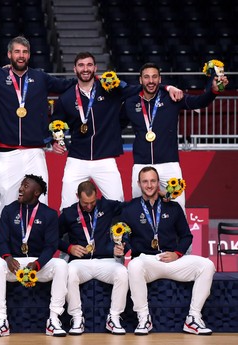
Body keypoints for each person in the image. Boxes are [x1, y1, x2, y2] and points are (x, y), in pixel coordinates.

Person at [52, 52, 183, 210]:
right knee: (67, 205)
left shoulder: (111, 89)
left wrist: (167, 87)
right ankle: (70, 236)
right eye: (81, 65)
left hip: (105, 159)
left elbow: (143, 87)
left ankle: (116, 235)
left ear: (95, 68)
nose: (85, 69)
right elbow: (55, 122)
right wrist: (54, 140)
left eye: (89, 65)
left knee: (117, 204)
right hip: (77, 160)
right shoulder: (66, 98)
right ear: (74, 69)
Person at [0, 36, 75, 207]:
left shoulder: (40, 77)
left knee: (40, 200)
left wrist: (91, 77)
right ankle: (6, 234)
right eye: (17, 52)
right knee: (7, 202)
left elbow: (65, 86)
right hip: (7, 152)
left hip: (35, 152)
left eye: (24, 52)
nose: (21, 55)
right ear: (9, 54)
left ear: (29, 55)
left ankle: (39, 234)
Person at [121, 166, 215, 335]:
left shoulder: (173, 207)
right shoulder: (129, 209)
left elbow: (186, 236)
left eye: (152, 181)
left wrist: (177, 253)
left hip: (173, 260)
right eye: (145, 181)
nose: (149, 185)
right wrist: (122, 247)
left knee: (207, 265)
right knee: (134, 266)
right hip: (148, 262)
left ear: (158, 183)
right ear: (139, 184)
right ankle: (144, 319)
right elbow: (125, 238)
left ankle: (193, 318)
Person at [122, 63, 228, 211]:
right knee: (139, 212)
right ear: (140, 80)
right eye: (146, 77)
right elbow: (116, 124)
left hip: (169, 166)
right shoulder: (130, 102)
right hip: (141, 165)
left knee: (178, 209)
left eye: (154, 77)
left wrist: (213, 92)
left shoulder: (172, 97)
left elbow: (199, 102)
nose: (150, 81)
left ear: (160, 79)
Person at [0, 174, 68, 337]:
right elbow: (1, 240)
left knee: (61, 265)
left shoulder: (49, 214)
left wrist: (38, 263)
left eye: (26, 186)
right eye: (21, 185)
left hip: (38, 265)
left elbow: (51, 246)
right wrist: (7, 257)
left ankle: (53, 319)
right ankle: (1, 320)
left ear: (36, 192)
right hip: (15, 264)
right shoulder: (9, 210)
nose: (20, 189)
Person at [58, 180, 127, 335]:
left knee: (122, 273)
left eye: (92, 202)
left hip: (106, 261)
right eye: (85, 203)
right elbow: (53, 238)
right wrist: (69, 248)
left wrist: (160, 195)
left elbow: (132, 206)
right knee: (68, 272)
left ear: (97, 196)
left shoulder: (107, 206)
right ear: (77, 197)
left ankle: (114, 317)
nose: (89, 206)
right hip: (80, 263)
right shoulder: (68, 213)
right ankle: (76, 318)